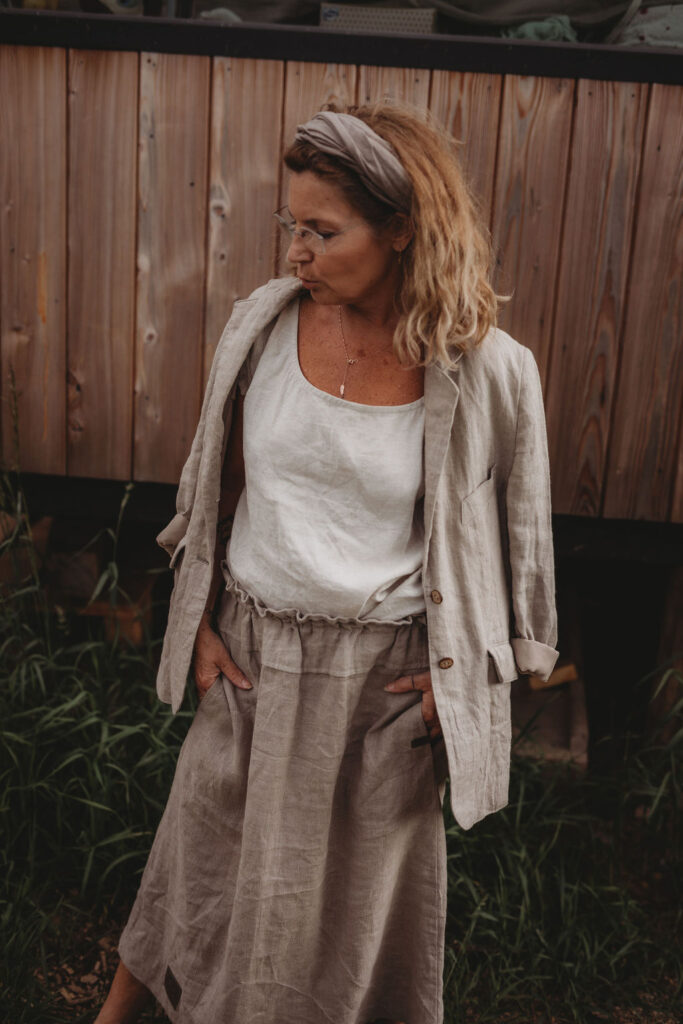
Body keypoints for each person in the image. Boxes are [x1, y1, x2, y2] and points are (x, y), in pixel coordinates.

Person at [95, 101, 559, 1024]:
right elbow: (216, 486)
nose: (296, 252)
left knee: (345, 912)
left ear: (400, 230)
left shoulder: (488, 369)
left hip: (382, 684)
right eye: (290, 224)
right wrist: (201, 621)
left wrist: (478, 677)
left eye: (322, 231)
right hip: (250, 656)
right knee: (198, 858)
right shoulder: (261, 327)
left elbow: (523, 540)